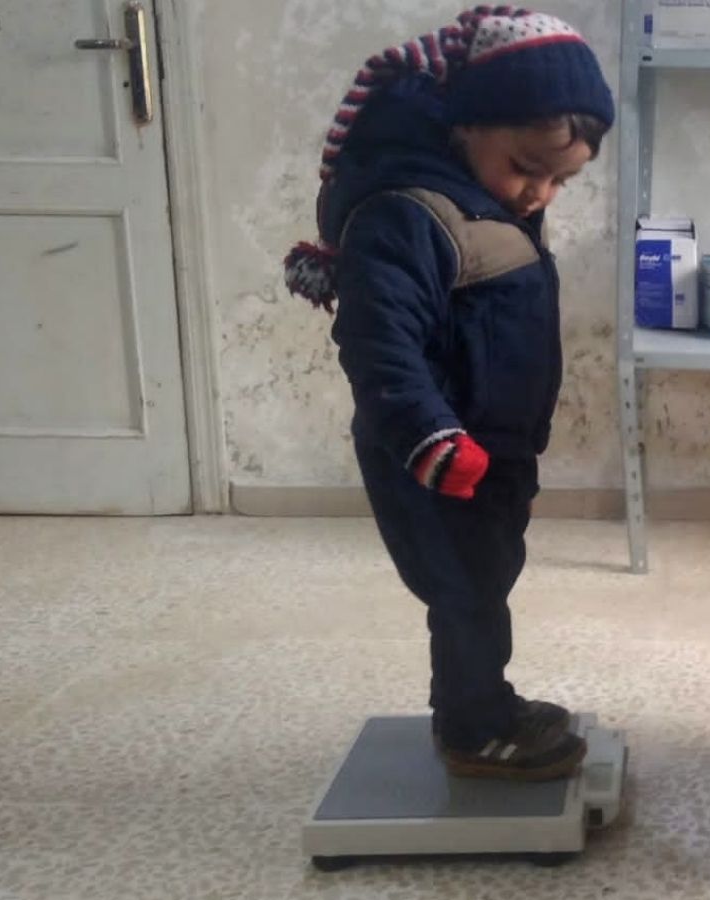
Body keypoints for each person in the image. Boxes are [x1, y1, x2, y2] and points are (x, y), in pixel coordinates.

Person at [283, 6, 614, 781]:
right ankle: (472, 729)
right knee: (465, 590)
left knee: (486, 579)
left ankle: (487, 700)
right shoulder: (406, 213)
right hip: (432, 454)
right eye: (528, 167)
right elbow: (378, 343)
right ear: (468, 124)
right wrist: (429, 439)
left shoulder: (481, 201)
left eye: (561, 179)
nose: (541, 193)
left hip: (489, 447)